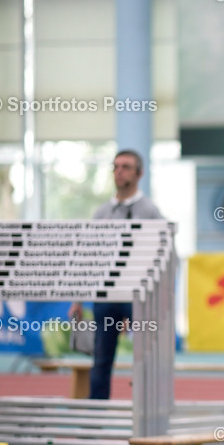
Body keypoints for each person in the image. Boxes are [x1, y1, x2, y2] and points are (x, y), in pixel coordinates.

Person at [69, 150, 165, 400]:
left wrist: (158, 297)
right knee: (101, 360)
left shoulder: (151, 212)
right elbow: (89, 257)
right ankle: (96, 417)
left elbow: (163, 256)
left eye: (125, 166)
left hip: (139, 297)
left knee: (146, 359)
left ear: (139, 173)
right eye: (115, 166)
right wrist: (78, 299)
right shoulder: (101, 213)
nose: (119, 171)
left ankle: (147, 411)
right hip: (106, 296)